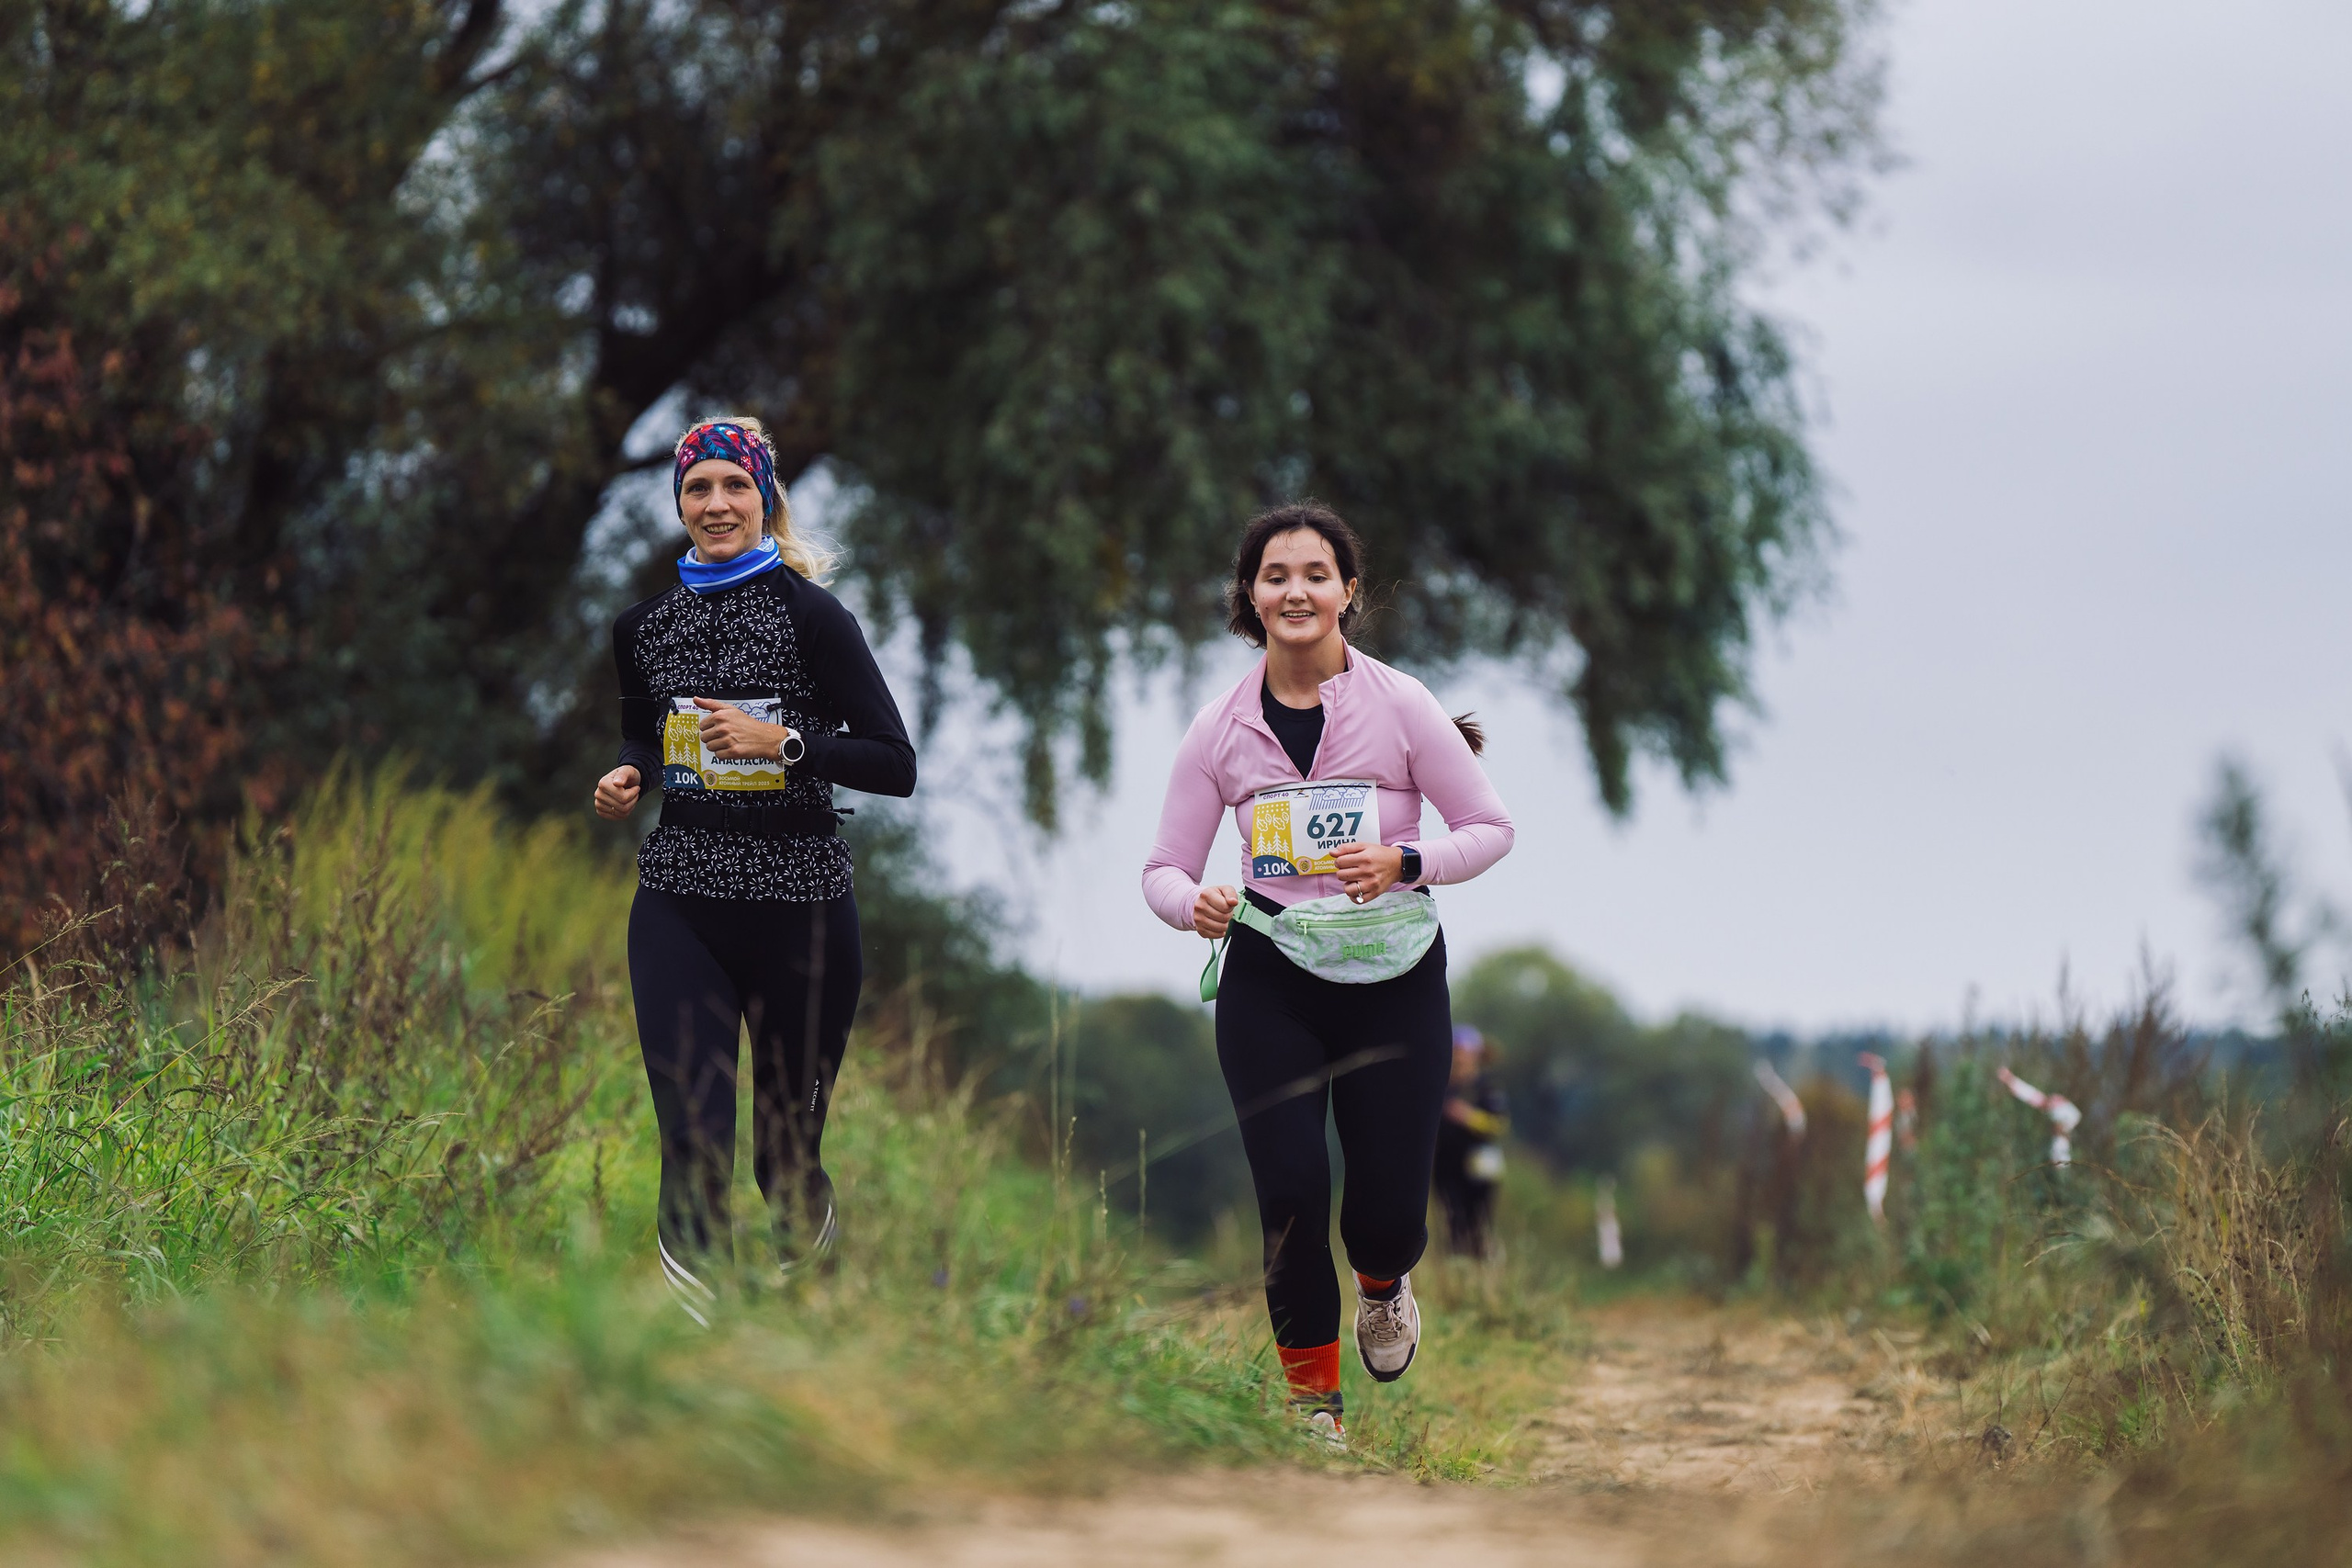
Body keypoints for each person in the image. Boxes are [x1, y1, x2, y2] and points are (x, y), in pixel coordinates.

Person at [1140, 502, 1513, 1449]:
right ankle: (1314, 1406)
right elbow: (1162, 870)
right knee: (1291, 1190)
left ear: (1349, 591)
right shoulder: (1219, 729)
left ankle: (1383, 1284)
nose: (1295, 591)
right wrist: (1195, 904)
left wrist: (1405, 862)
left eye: (1315, 574)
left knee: (1384, 1211)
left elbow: (1490, 829)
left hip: (1394, 974)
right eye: (1275, 575)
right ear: (1250, 596)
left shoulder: (1402, 705)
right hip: (1271, 975)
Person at [594, 416, 916, 1322]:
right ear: (679, 505)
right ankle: (702, 1349)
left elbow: (894, 762)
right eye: (698, 488)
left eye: (735, 485)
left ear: (765, 499)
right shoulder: (642, 628)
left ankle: (806, 1325)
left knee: (784, 1152)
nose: (717, 503)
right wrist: (628, 774)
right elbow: (644, 736)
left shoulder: (815, 619)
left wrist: (786, 743)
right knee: (693, 1140)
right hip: (679, 906)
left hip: (799, 913)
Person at [1432, 1025, 1509, 1258]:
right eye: (1456, 1051)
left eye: (1464, 1052)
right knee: (1453, 1219)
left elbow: (1499, 1125)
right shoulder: (1443, 1086)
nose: (1459, 1057)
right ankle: (1457, 1267)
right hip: (1446, 1164)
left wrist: (1468, 1117)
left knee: (1479, 1221)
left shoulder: (1486, 1088)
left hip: (1480, 1165)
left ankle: (1483, 1263)